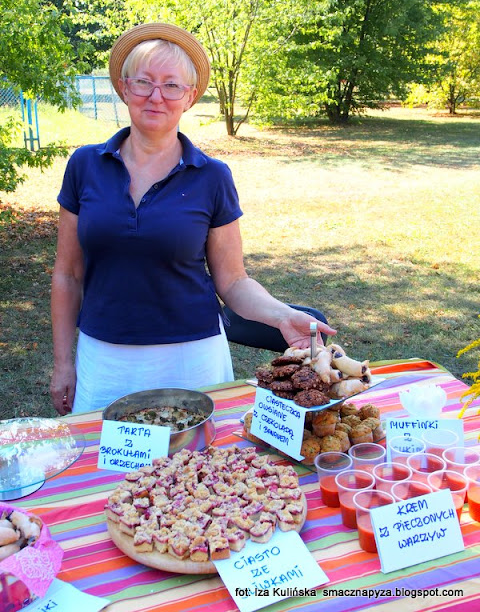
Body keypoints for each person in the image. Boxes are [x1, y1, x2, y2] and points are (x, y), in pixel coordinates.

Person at [50, 22, 336, 416]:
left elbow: (233, 281)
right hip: (106, 358)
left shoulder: (212, 176)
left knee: (195, 471)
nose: (156, 96)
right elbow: (67, 274)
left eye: (171, 85)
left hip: (192, 358)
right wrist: (64, 363)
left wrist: (281, 315)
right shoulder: (85, 165)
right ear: (123, 87)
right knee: (106, 470)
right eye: (143, 82)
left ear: (190, 96)